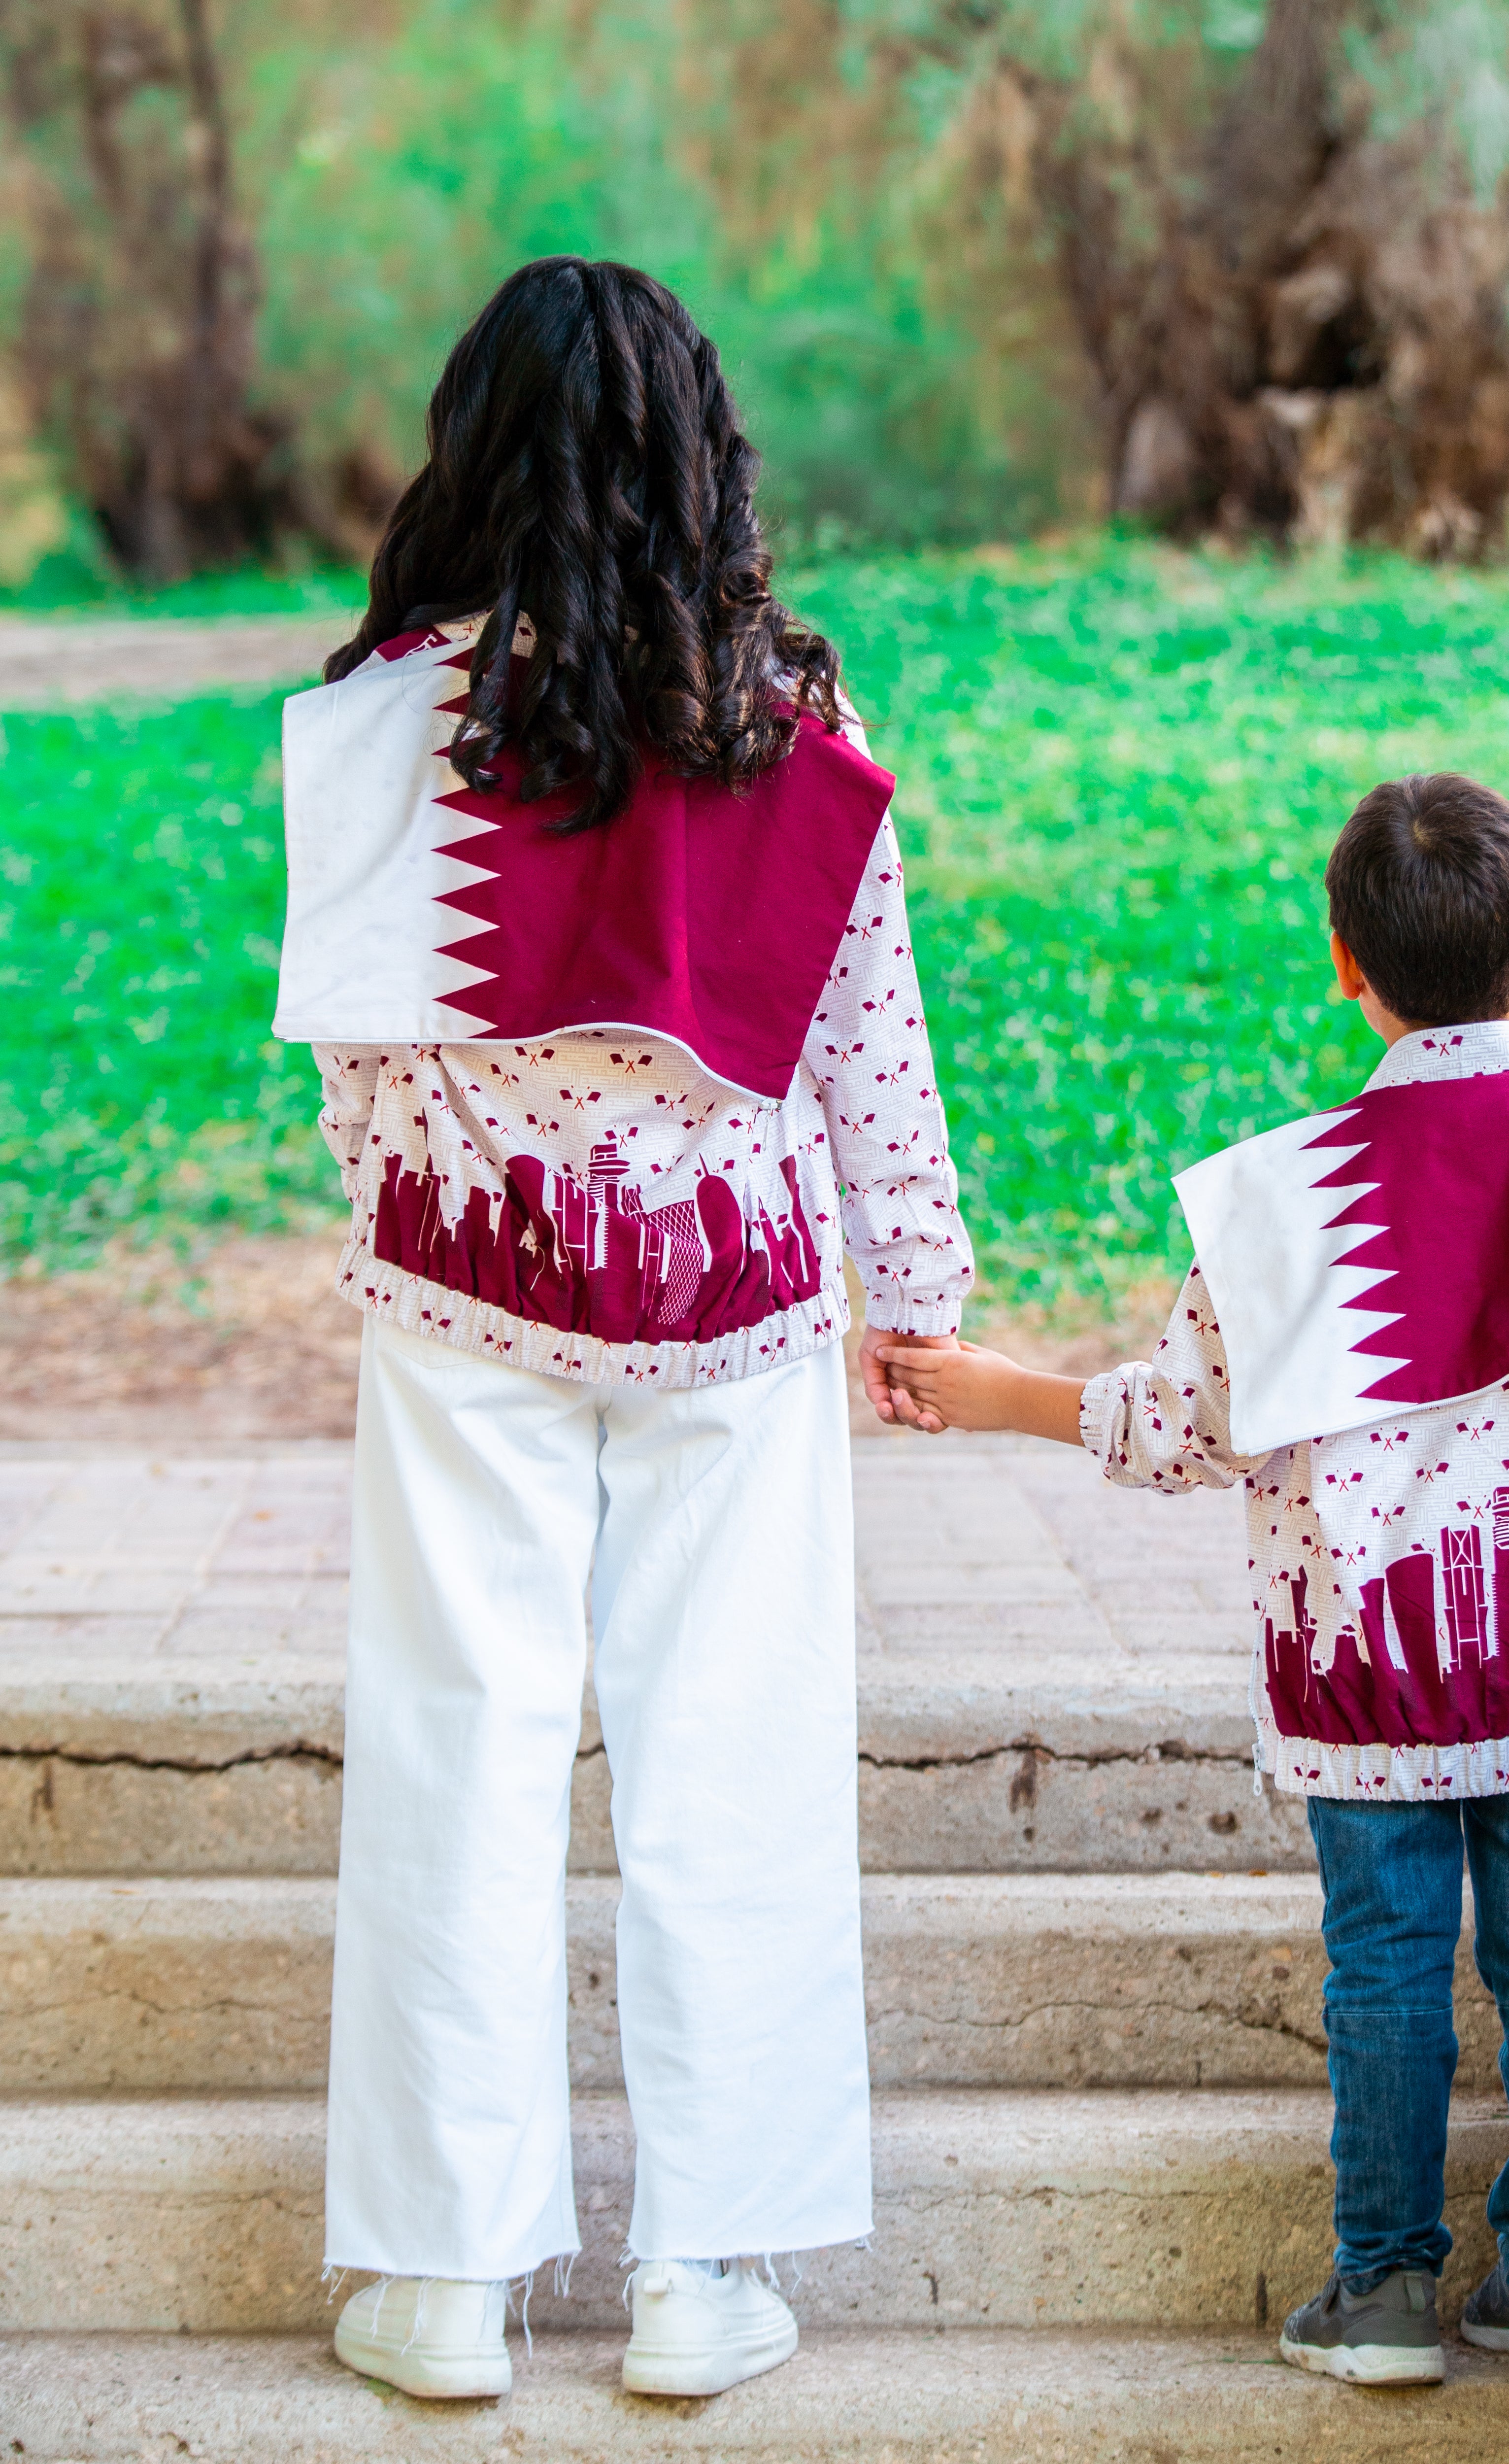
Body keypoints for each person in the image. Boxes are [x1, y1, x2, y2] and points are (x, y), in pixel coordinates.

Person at [272, 258, 971, 2402]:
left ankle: (442, 2283)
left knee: (452, 1749)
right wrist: (915, 1300)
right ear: (699, 448)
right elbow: (868, 1042)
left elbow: (357, 1080)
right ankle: (702, 2269)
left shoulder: (379, 715)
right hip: (738, 1303)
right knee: (731, 1755)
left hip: (462, 1289)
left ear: (467, 443)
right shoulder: (786, 712)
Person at [878, 773, 1509, 2389]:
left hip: (1364, 1677)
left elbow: (1185, 1425)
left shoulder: (1281, 1197)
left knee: (1388, 1969)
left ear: (1342, 959)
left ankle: (1387, 2291)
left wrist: (1001, 1390)